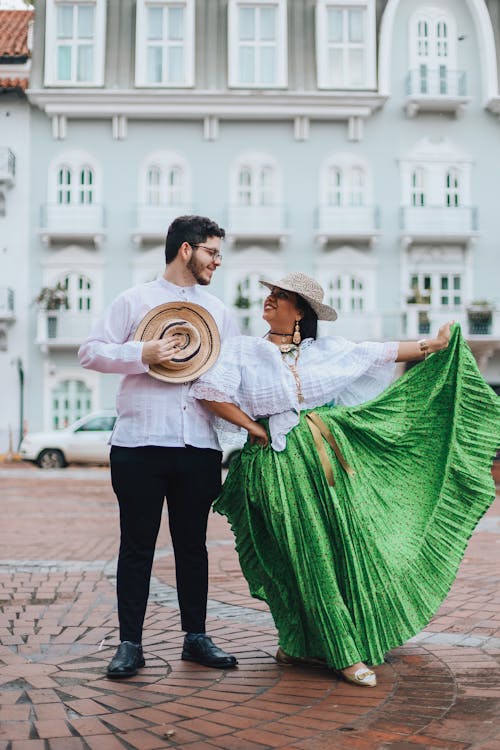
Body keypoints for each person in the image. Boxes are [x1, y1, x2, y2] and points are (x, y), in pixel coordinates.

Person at [191, 272, 500, 688]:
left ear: (301, 311)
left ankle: (299, 643)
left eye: (281, 297)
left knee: (335, 552)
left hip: (325, 463)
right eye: (270, 294)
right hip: (276, 466)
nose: (270, 300)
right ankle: (341, 651)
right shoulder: (245, 350)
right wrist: (254, 427)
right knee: (298, 557)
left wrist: (435, 345)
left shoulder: (327, 351)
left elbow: (378, 353)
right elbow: (210, 391)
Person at [78, 215, 240, 678]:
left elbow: (230, 375)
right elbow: (89, 351)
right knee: (136, 547)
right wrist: (140, 353)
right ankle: (130, 644)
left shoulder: (220, 313)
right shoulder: (133, 300)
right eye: (212, 252)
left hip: (198, 446)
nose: (217, 261)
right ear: (186, 250)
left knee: (193, 546)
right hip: (138, 445)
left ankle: (197, 637)